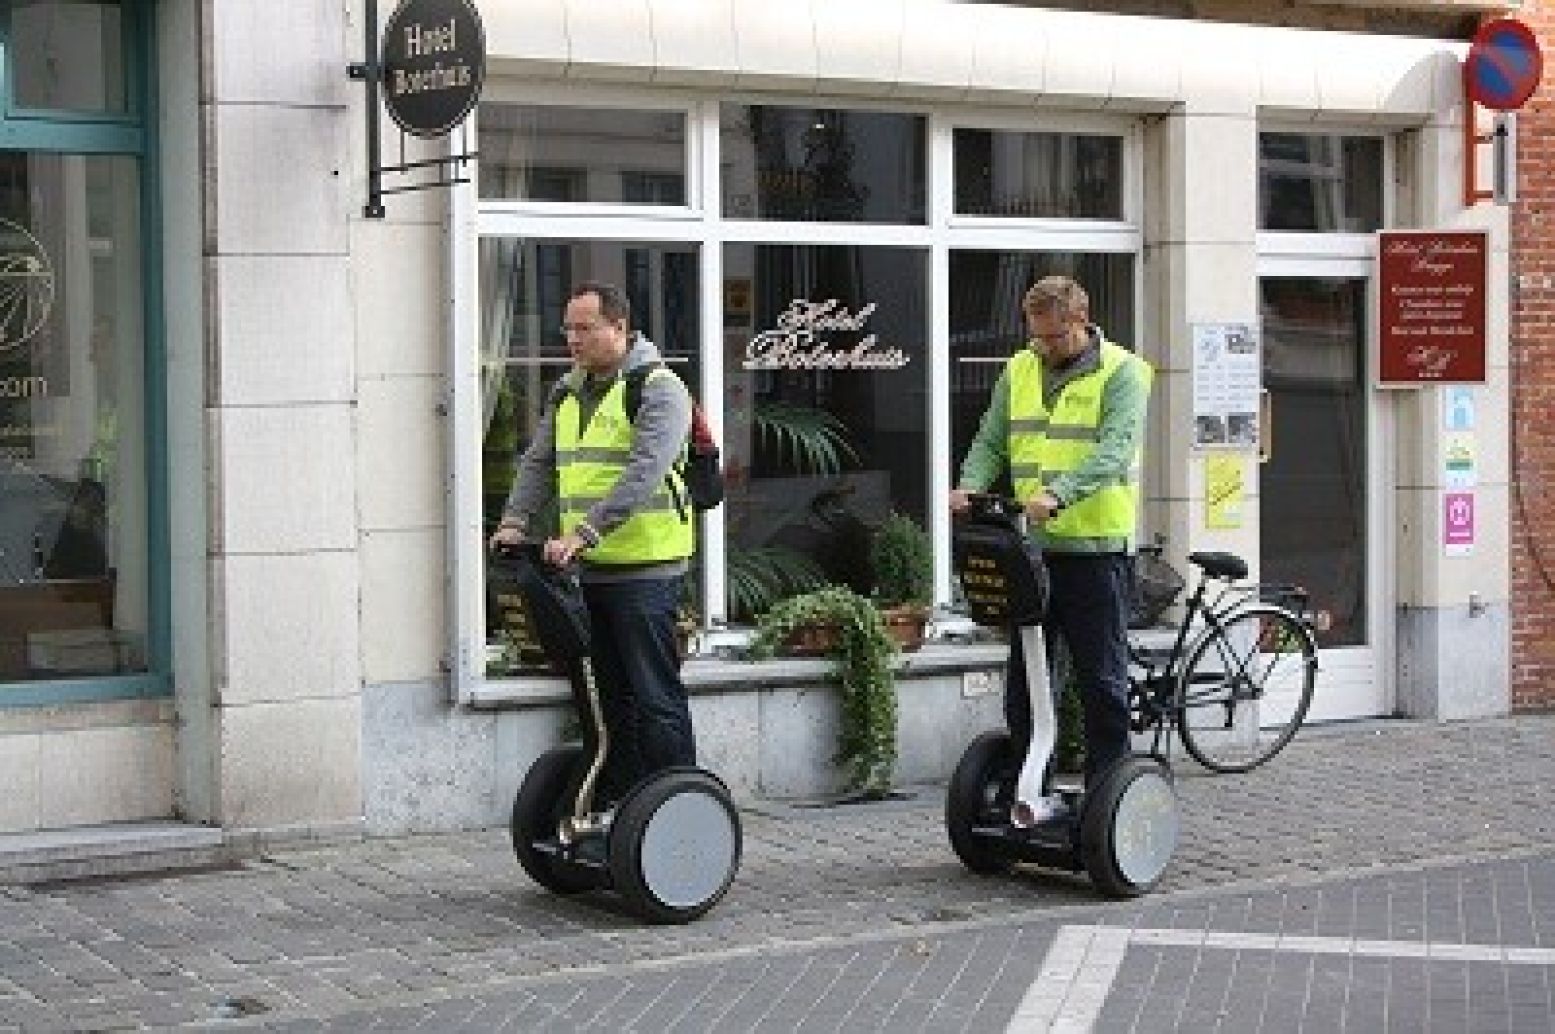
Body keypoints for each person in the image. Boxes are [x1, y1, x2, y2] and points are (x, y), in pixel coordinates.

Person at [950, 275, 1153, 822]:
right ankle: (1026, 790)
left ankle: (1108, 801)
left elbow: (1114, 450)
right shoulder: (1018, 369)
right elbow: (991, 438)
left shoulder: (1124, 373)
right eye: (1036, 336)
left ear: (1081, 322)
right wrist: (970, 485)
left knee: (1101, 682)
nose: (1043, 347)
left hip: (1095, 553)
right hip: (1033, 552)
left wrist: (1058, 495)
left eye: (1054, 338)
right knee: (1028, 682)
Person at [490, 282, 697, 807]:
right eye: (569, 328)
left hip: (647, 572)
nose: (573, 339)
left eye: (585, 328)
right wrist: (515, 520)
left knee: (655, 697)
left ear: (620, 328)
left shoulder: (659, 388)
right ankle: (623, 806)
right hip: (589, 573)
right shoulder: (568, 391)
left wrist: (584, 532)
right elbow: (539, 462)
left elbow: (644, 472)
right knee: (608, 701)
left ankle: (679, 804)